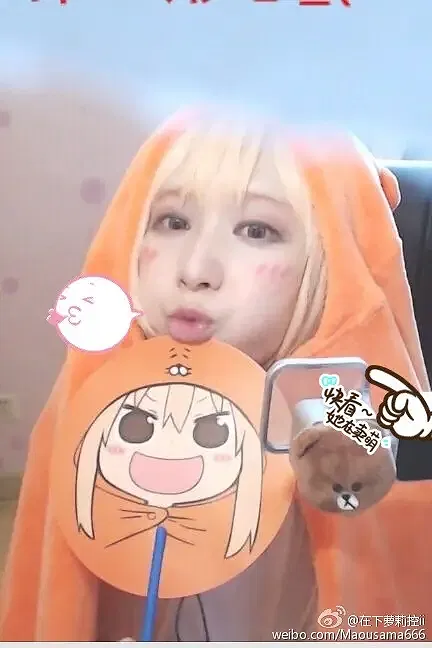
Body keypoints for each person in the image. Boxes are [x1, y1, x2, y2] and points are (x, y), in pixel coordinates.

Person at [0, 111, 431, 641]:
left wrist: (342, 453)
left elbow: (353, 445)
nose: (195, 270)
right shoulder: (107, 396)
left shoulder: (317, 393)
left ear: (335, 260)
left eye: (257, 231)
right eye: (172, 221)